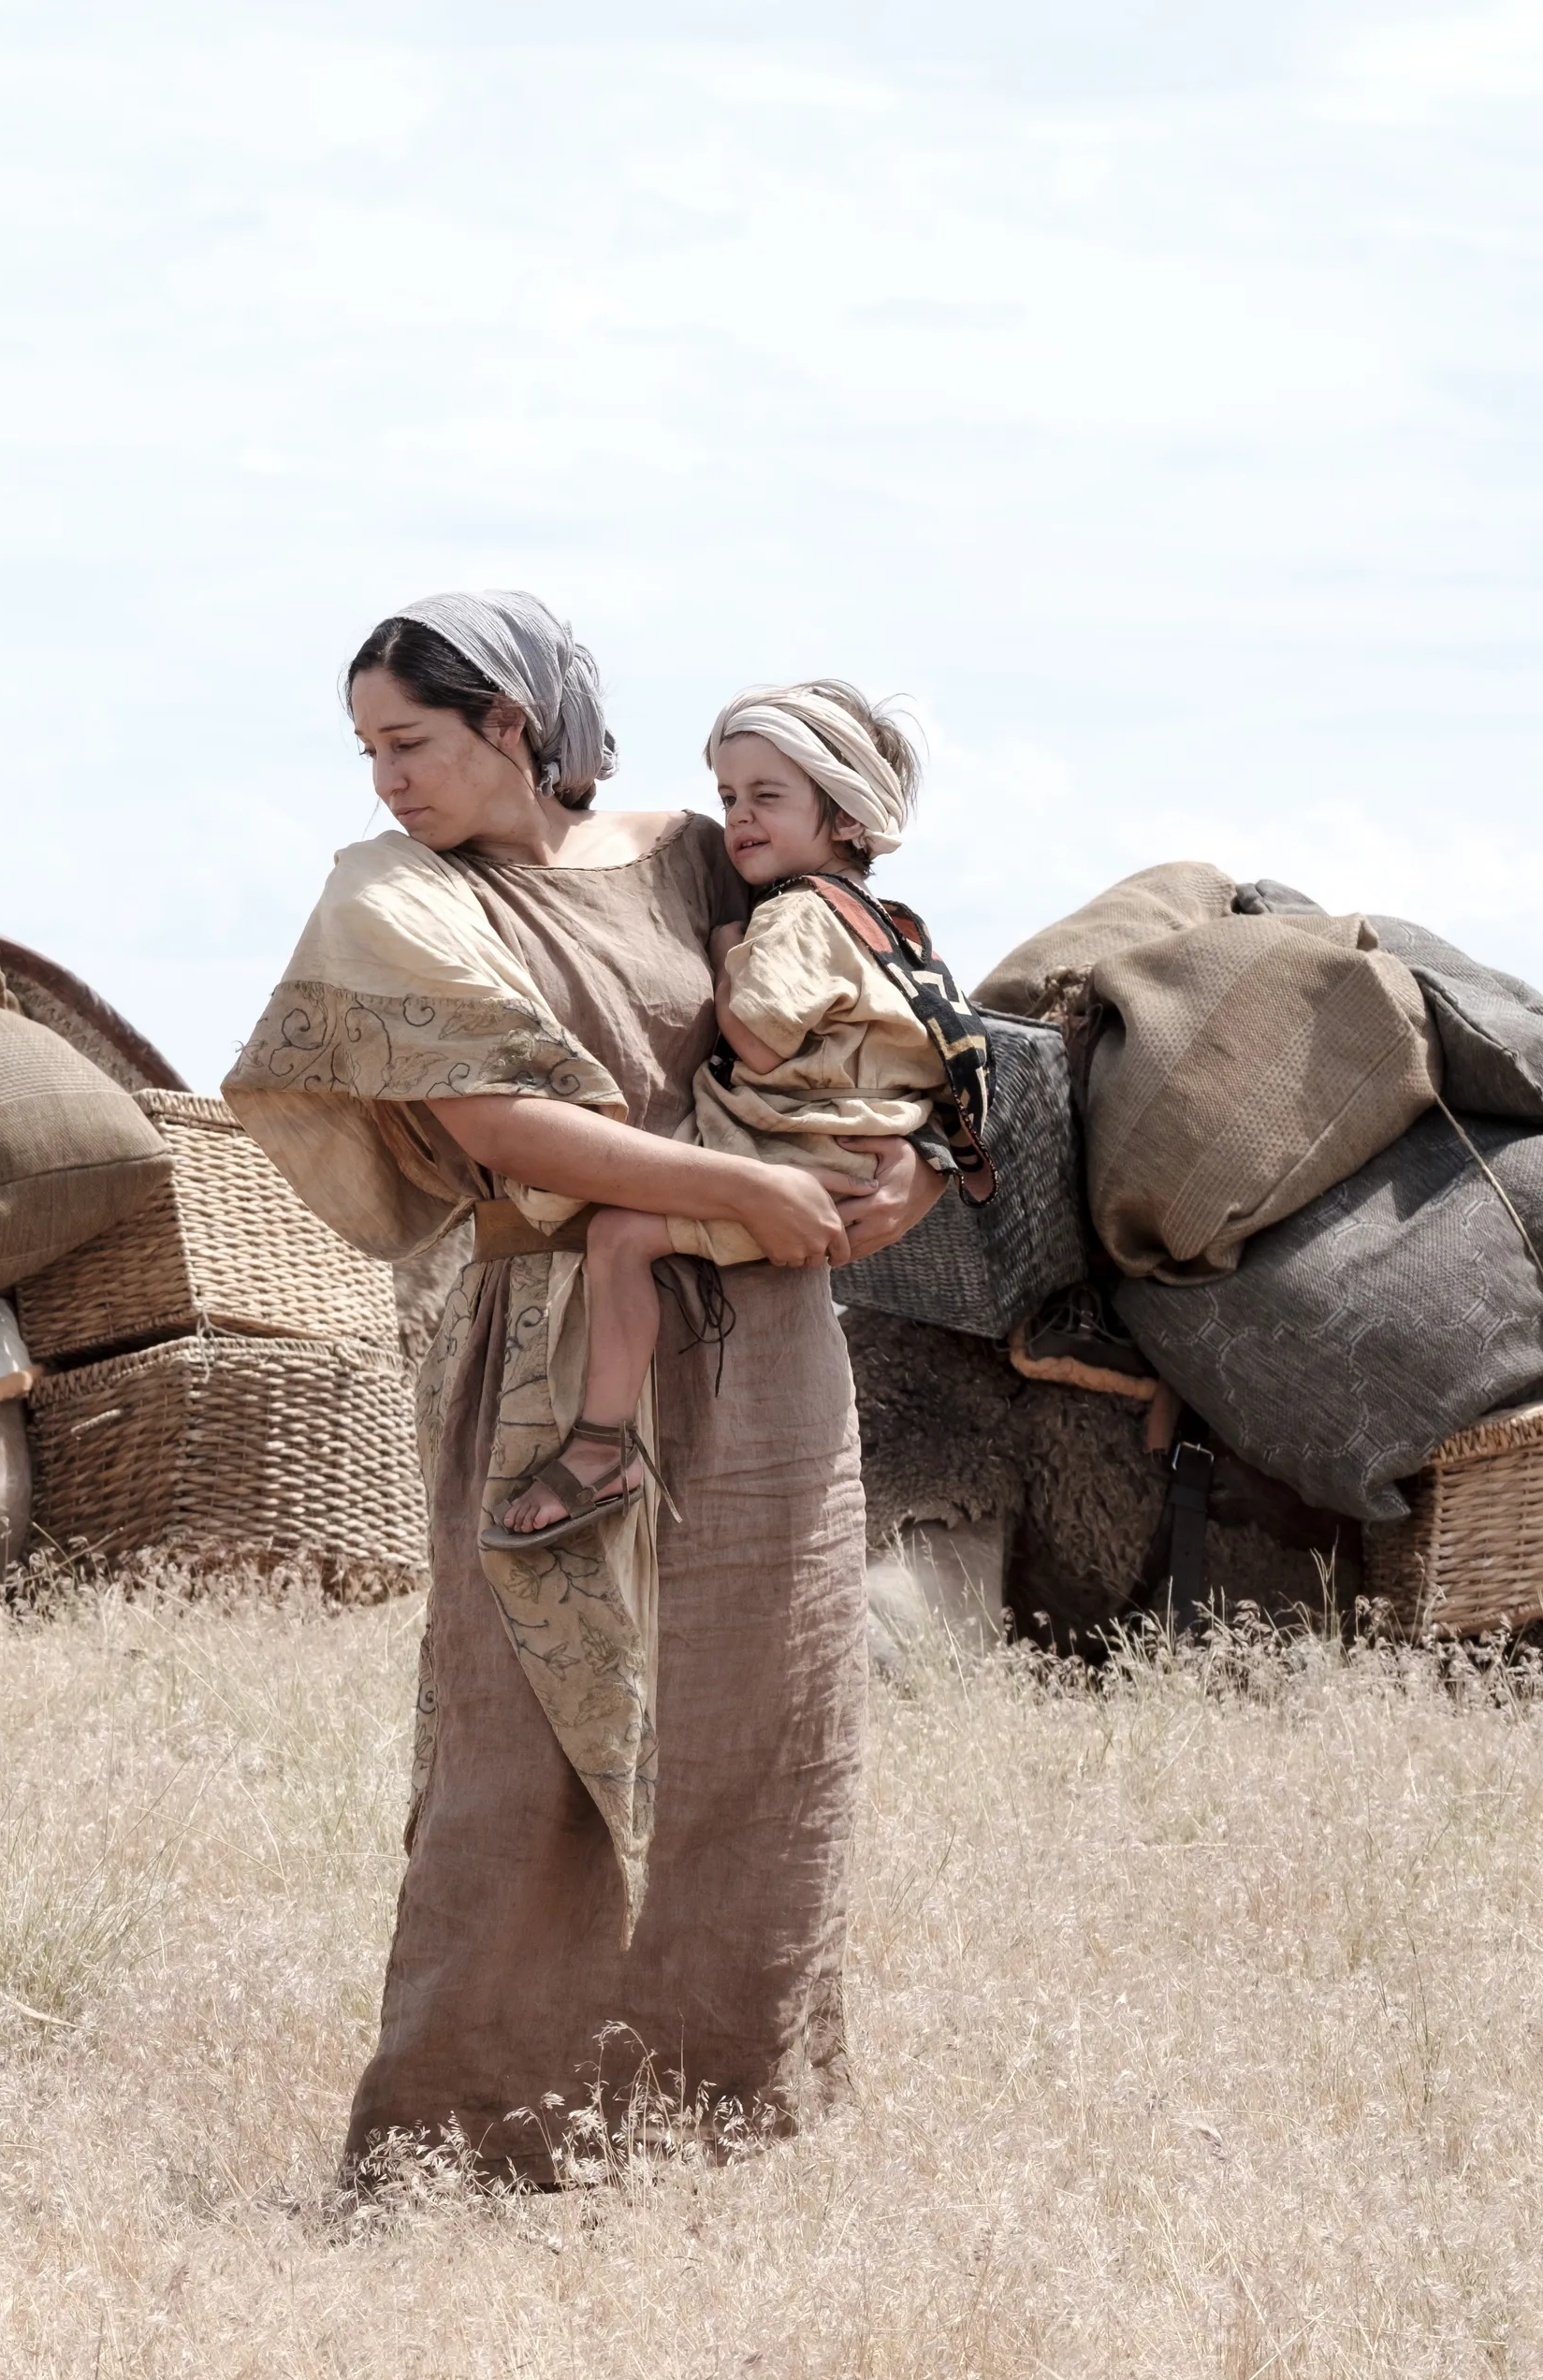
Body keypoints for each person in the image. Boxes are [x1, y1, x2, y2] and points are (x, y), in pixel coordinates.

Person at [222, 590, 942, 2184]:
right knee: (521, 1742)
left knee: (763, 1723)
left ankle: (723, 2133)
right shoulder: (394, 898)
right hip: (559, 1350)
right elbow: (499, 1125)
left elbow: (871, 1030)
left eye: (408, 742)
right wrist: (741, 1191)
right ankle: (468, 2147)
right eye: (365, 750)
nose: (384, 780)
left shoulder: (698, 852)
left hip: (771, 1356)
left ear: (514, 727)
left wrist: (910, 1181)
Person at [491, 680, 987, 1546]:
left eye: (768, 797)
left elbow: (757, 1041)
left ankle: (601, 1444)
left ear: (846, 816)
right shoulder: (885, 922)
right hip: (839, 1151)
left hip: (785, 1153)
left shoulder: (796, 916)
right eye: (729, 798)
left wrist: (724, 944)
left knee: (615, 1236)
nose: (740, 819)